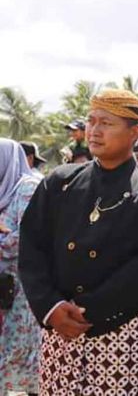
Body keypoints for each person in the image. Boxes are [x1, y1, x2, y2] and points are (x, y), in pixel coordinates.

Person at [19, 89, 138, 395]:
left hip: (123, 328)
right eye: (92, 121)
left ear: (135, 131)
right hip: (60, 328)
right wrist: (51, 307)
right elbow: (31, 249)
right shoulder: (60, 181)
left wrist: (86, 311)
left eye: (106, 122)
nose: (94, 130)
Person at [0, 139, 42, 396]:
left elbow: (24, 239)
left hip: (22, 290)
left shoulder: (27, 188)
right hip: (4, 287)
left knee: (23, 353)